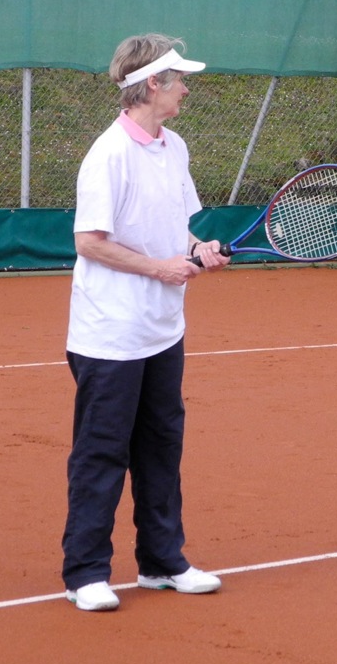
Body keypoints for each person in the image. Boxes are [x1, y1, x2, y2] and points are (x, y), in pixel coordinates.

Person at [62, 33, 232, 612]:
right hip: (110, 334)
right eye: (178, 78)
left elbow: (176, 225)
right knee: (102, 451)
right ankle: (85, 572)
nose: (187, 87)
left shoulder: (173, 146)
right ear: (152, 84)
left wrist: (198, 245)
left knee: (161, 446)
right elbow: (90, 242)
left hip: (164, 331)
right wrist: (161, 268)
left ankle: (162, 563)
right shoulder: (107, 155)